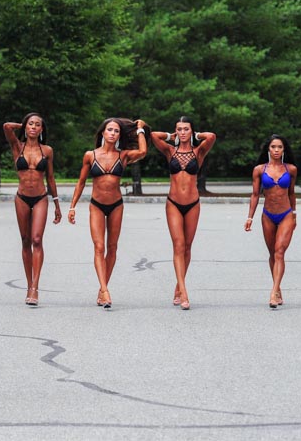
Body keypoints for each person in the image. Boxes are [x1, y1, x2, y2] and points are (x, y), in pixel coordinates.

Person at [68, 118, 147, 309]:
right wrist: (72, 206)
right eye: (109, 130)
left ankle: (102, 290)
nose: (112, 133)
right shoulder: (90, 155)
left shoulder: (124, 155)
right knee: (99, 247)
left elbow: (143, 152)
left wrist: (140, 129)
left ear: (119, 135)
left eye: (116, 131)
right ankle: (104, 290)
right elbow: (81, 182)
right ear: (102, 132)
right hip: (96, 205)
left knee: (112, 248)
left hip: (116, 205)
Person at [150, 118, 216, 310]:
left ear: (191, 131)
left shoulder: (198, 152)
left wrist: (197, 135)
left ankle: (178, 286)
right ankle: (184, 292)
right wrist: (170, 136)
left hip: (193, 204)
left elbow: (211, 136)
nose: (183, 132)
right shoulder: (170, 151)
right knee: (178, 245)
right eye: (179, 129)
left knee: (187, 247)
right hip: (173, 204)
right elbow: (153, 135)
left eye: (186, 129)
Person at [3, 114, 63, 306]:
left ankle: (34, 288)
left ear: (42, 129)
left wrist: (56, 203)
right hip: (21, 198)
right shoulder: (17, 147)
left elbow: (50, 178)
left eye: (38, 125)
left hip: (40, 198)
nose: (34, 127)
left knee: (37, 239)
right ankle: (29, 284)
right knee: (25, 240)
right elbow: (6, 126)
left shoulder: (47, 150)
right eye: (31, 124)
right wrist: (23, 125)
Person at [244, 135, 297, 309]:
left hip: (286, 214)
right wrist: (250, 217)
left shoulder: (291, 169)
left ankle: (273, 292)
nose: (276, 150)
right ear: (268, 149)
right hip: (267, 215)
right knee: (272, 254)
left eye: (279, 147)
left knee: (279, 251)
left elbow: (291, 193)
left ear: (284, 149)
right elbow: (255, 194)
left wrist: (294, 214)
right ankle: (278, 288)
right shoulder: (259, 170)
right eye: (273, 147)